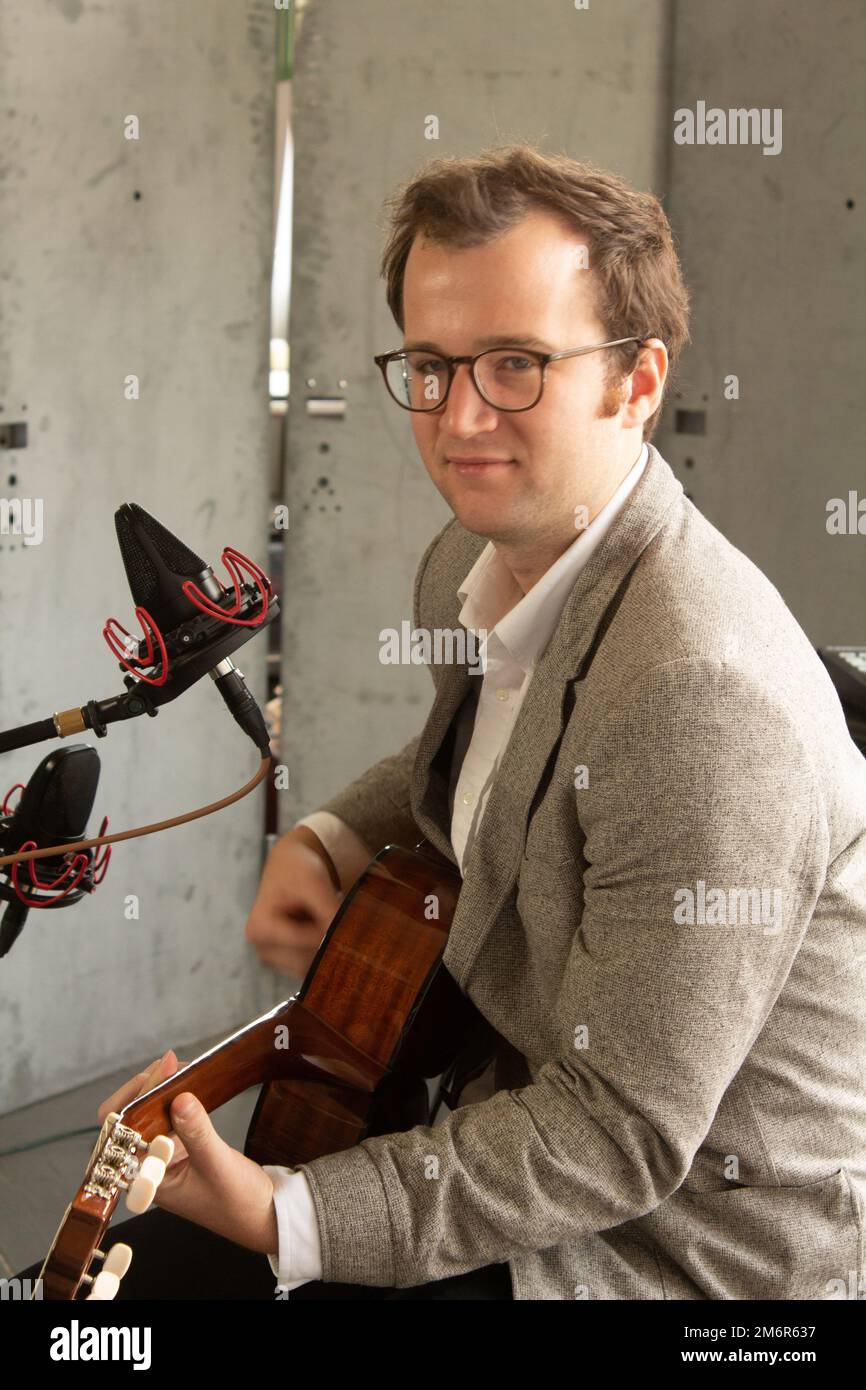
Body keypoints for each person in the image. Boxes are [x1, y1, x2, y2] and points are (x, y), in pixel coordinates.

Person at [25, 146, 866, 1300]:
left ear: (635, 381)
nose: (460, 417)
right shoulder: (472, 556)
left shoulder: (701, 696)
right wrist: (329, 833)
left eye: (514, 363)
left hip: (670, 1250)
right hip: (498, 1121)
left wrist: (289, 1212)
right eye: (430, 364)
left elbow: (618, 1134)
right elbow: (475, 762)